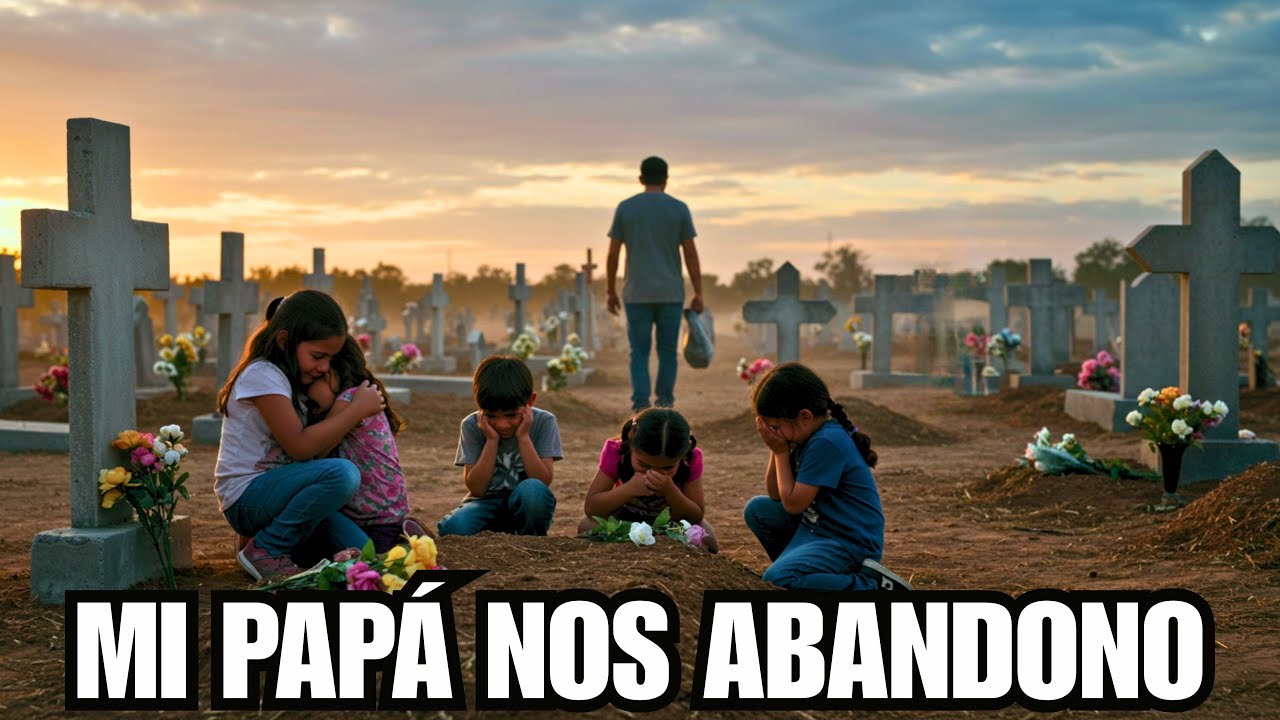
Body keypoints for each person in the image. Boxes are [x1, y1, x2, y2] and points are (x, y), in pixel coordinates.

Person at [214, 291, 387, 580]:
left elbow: (317, 451)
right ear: (284, 341)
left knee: (366, 558)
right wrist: (355, 411)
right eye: (318, 356)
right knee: (342, 474)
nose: (324, 367)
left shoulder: (293, 379)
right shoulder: (263, 375)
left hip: (282, 495)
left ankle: (264, 543)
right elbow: (301, 447)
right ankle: (267, 548)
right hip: (247, 497)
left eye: (330, 359)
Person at [743, 362, 910, 591]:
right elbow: (776, 494)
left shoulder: (826, 442)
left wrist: (781, 452)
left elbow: (792, 504)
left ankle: (870, 586)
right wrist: (776, 449)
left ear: (804, 417)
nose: (773, 434)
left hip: (849, 541)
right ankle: (807, 572)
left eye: (775, 427)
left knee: (777, 579)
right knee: (758, 511)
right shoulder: (804, 435)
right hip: (818, 527)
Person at [305, 335, 429, 553]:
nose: (306, 388)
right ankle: (404, 534)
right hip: (381, 513)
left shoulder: (351, 399)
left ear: (337, 373)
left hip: (375, 518)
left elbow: (317, 449)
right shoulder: (360, 397)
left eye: (315, 380)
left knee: (375, 557)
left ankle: (407, 542)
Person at [606, 155, 704, 413]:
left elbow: (613, 253)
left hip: (636, 292)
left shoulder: (626, 208)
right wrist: (698, 291)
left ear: (641, 178)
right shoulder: (679, 208)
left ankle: (640, 405)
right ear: (666, 180)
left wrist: (610, 290)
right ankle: (665, 403)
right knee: (667, 351)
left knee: (638, 351)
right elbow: (690, 253)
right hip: (670, 292)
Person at [437, 355, 561, 536]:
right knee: (453, 529)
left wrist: (524, 437)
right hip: (484, 503)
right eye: (492, 416)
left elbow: (542, 480)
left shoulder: (544, 421)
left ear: (530, 401)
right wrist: (491, 441)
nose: (502, 424)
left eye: (511, 415)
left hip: (525, 503)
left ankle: (531, 539)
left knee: (533, 491)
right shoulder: (472, 425)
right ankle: (493, 531)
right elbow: (477, 489)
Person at [578, 408, 719, 553]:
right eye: (644, 465)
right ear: (631, 446)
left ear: (682, 456)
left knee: (707, 540)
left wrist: (671, 492)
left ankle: (660, 540)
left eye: (667, 468)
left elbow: (696, 516)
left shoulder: (690, 461)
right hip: (625, 523)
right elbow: (592, 509)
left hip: (670, 526)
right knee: (587, 527)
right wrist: (628, 489)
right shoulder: (617, 454)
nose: (654, 472)